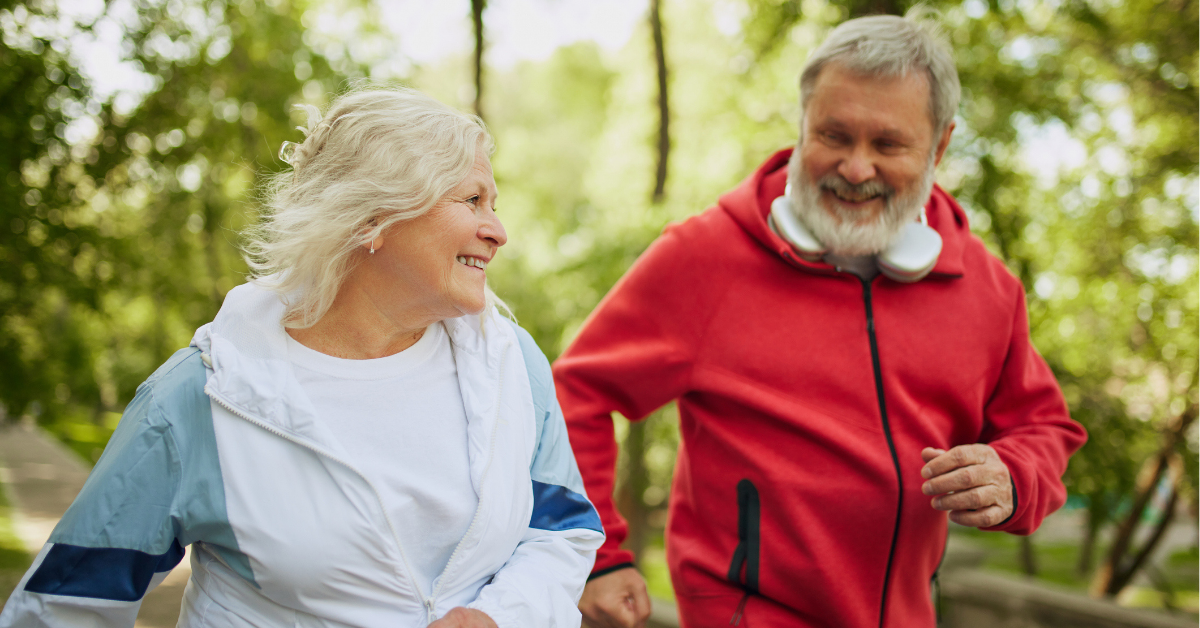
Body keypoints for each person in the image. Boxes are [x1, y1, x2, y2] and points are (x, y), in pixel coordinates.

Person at [553, 11, 1087, 628]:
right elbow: (574, 394)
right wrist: (593, 554)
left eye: (887, 144)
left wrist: (1014, 477)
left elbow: (1044, 428)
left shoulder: (989, 289)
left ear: (940, 146)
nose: (856, 168)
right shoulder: (704, 257)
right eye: (834, 136)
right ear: (803, 126)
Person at [0, 88, 603, 628]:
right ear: (375, 218)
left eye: (493, 202)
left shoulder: (510, 363)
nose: (498, 230)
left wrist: (495, 618)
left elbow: (564, 531)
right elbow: (63, 608)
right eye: (472, 199)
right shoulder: (201, 397)